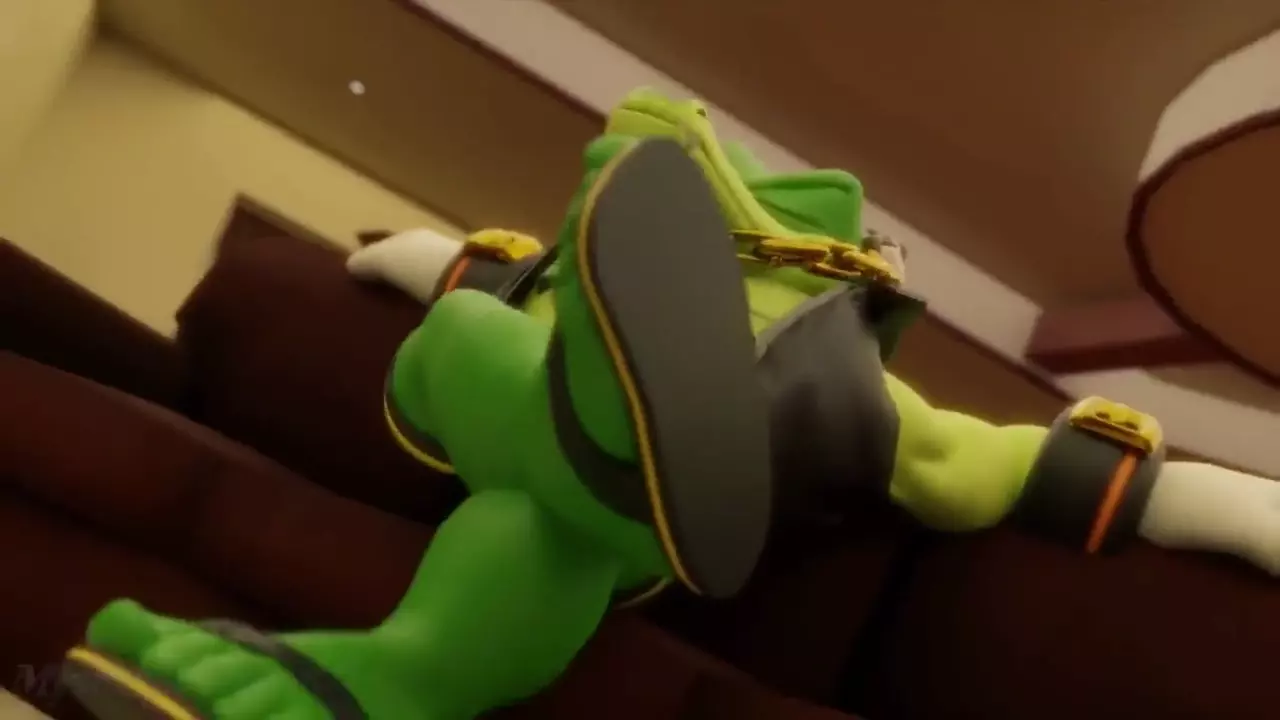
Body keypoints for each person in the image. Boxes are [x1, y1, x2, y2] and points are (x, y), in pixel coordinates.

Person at [62, 91, 1280, 720]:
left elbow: (1004, 468)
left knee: (518, 471)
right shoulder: (540, 280)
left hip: (602, 519)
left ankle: (373, 678)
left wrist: (1217, 502)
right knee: (473, 348)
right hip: (552, 457)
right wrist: (431, 261)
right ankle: (616, 438)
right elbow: (446, 273)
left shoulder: (845, 377)